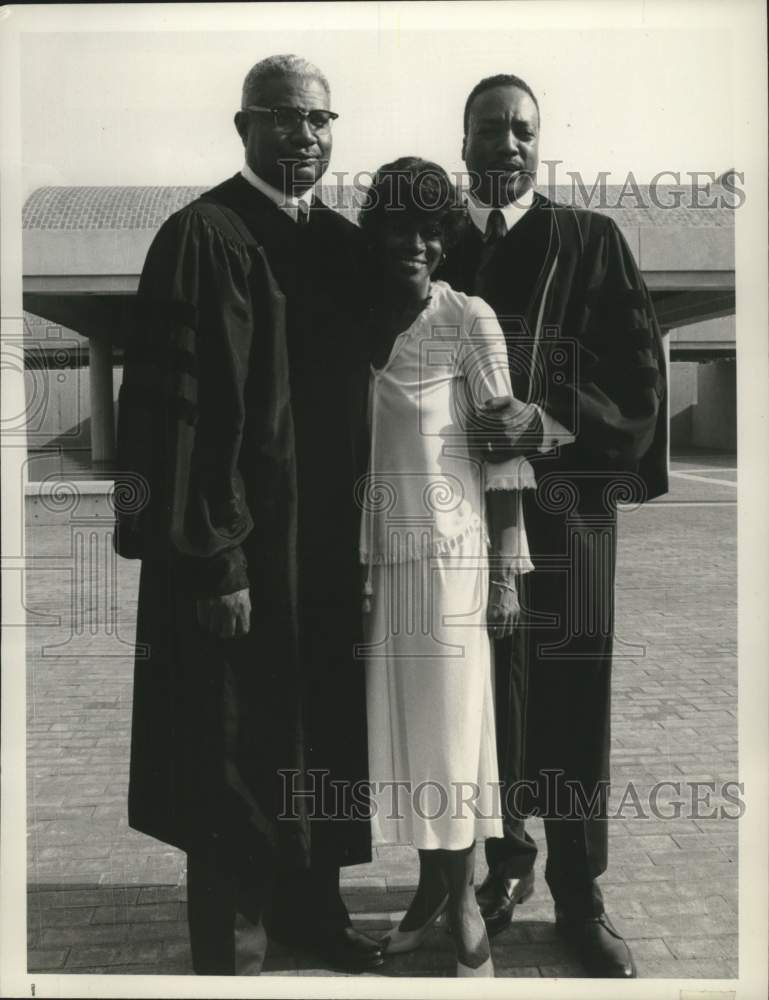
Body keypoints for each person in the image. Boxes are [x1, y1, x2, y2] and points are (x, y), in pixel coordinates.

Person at [114, 54, 381, 975]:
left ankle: (315, 910)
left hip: (327, 553)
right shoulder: (202, 235)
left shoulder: (346, 248)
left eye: (316, 119)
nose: (301, 135)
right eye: (279, 117)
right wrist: (214, 557)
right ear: (242, 128)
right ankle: (234, 930)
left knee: (322, 724)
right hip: (237, 549)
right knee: (230, 732)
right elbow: (181, 422)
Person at [440, 73, 668, 979]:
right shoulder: (435, 246)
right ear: (462, 144)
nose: (507, 144)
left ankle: (580, 890)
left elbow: (640, 386)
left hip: (569, 517)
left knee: (569, 703)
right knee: (483, 700)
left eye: (523, 129)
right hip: (462, 523)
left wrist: (547, 419)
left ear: (542, 142)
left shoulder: (591, 241)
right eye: (489, 129)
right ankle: (504, 869)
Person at [357, 157, 540, 977]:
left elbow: (503, 450)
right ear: (377, 228)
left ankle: (462, 898)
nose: (419, 243)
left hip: (450, 561)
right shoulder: (345, 317)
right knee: (403, 742)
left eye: (436, 229)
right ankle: (429, 893)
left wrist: (505, 568)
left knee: (453, 736)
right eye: (402, 225)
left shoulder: (468, 317)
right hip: (370, 566)